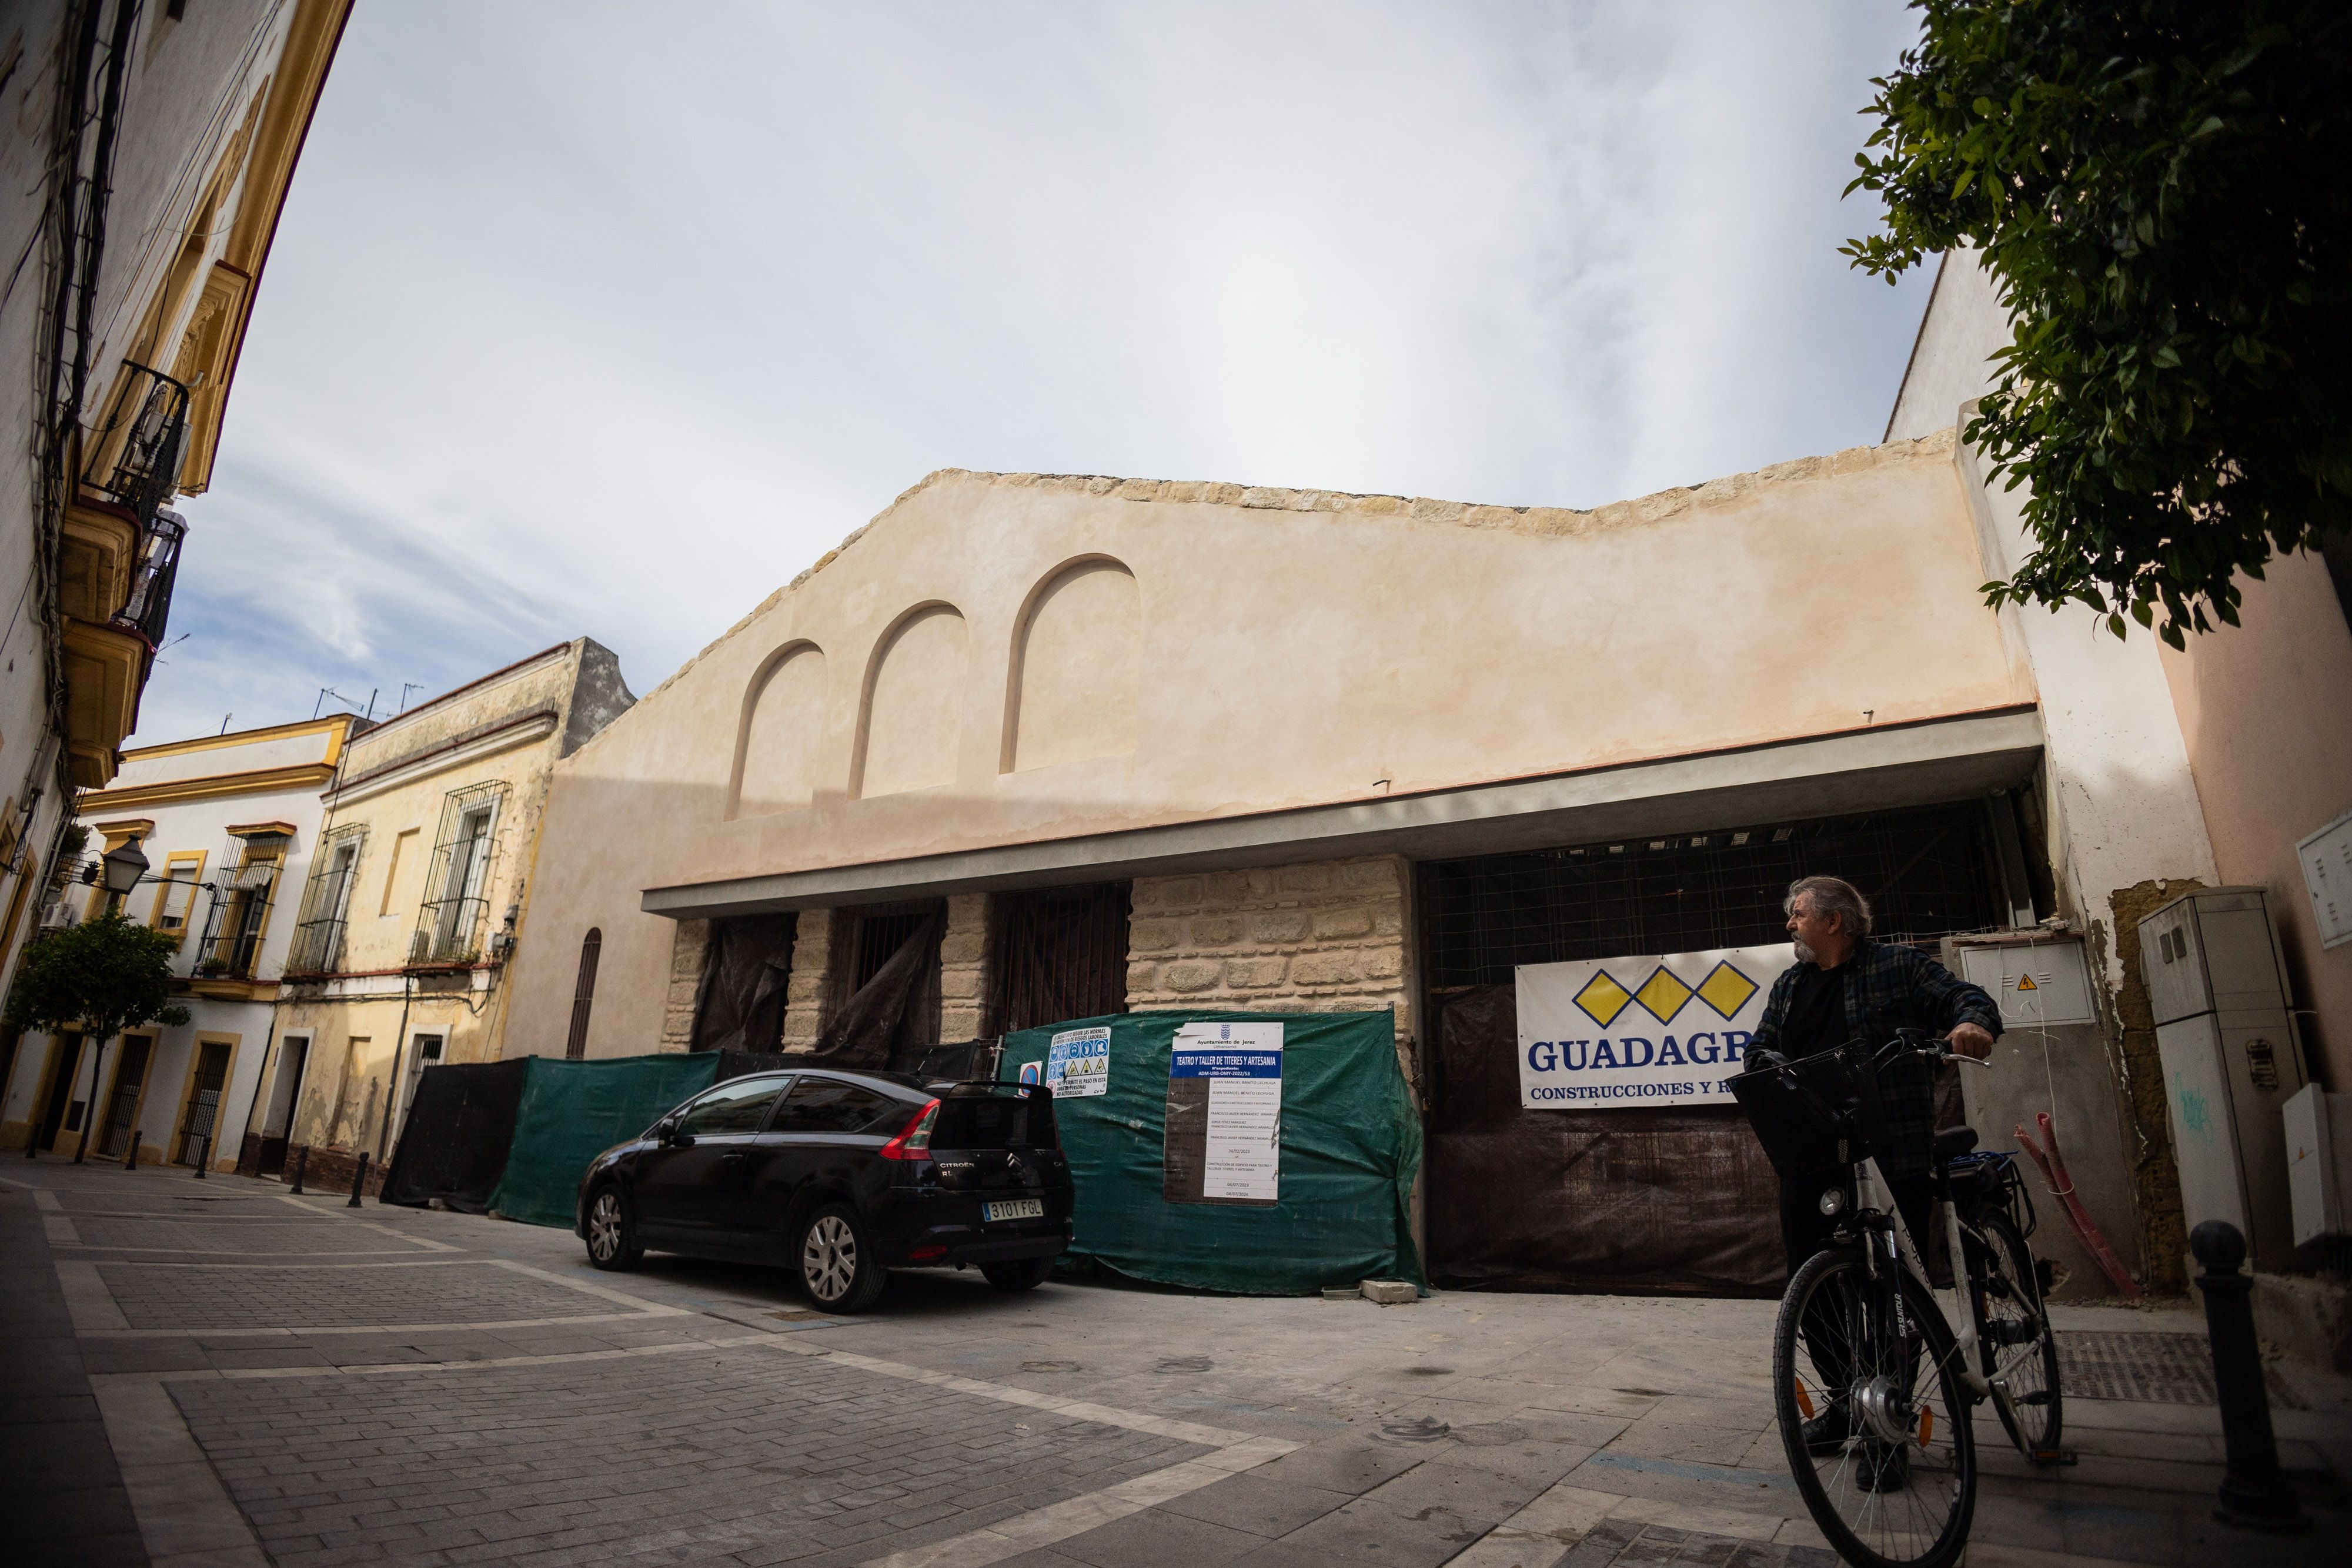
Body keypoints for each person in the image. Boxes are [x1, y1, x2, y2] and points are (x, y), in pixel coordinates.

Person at [1746, 874, 2000, 1470]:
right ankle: (1844, 1402)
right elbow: (1758, 1048)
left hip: (1892, 1152)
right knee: (1812, 1287)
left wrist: (1973, 1025)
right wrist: (1767, 1065)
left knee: (1894, 1292)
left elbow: (1965, 998)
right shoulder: (1789, 986)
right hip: (1815, 1154)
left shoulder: (1898, 968)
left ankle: (1889, 1422)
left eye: (1798, 913)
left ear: (1833, 921)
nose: (1790, 924)